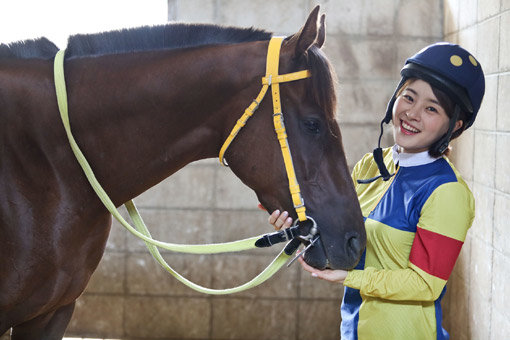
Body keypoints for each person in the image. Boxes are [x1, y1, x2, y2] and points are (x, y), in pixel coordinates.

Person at [267, 42, 485, 340]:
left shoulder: (447, 192)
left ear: (454, 126)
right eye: (409, 97)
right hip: (353, 330)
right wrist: (295, 222)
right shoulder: (372, 164)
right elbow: (339, 235)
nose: (412, 113)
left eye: (431, 108)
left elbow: (425, 284)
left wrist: (353, 277)